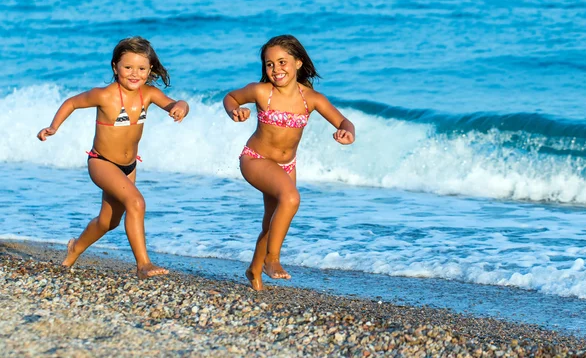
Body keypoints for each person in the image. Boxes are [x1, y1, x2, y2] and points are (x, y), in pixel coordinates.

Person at [37, 36, 189, 279]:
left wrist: (179, 107)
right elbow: (72, 103)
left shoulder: (148, 94)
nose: (134, 73)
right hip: (101, 162)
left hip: (128, 166)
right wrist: (54, 127)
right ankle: (143, 264)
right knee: (136, 202)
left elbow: (175, 103)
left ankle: (75, 247)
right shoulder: (105, 95)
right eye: (127, 67)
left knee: (109, 221)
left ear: (150, 69)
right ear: (115, 67)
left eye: (141, 68)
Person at [223, 35, 355, 291]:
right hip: (255, 159)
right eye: (269, 64)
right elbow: (231, 97)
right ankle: (272, 260)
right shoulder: (262, 92)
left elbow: (343, 122)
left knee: (271, 222)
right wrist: (235, 111)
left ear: (298, 63)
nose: (275, 69)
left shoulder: (312, 99)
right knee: (291, 198)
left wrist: (347, 133)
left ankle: (254, 269)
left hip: (287, 165)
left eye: (282, 62)